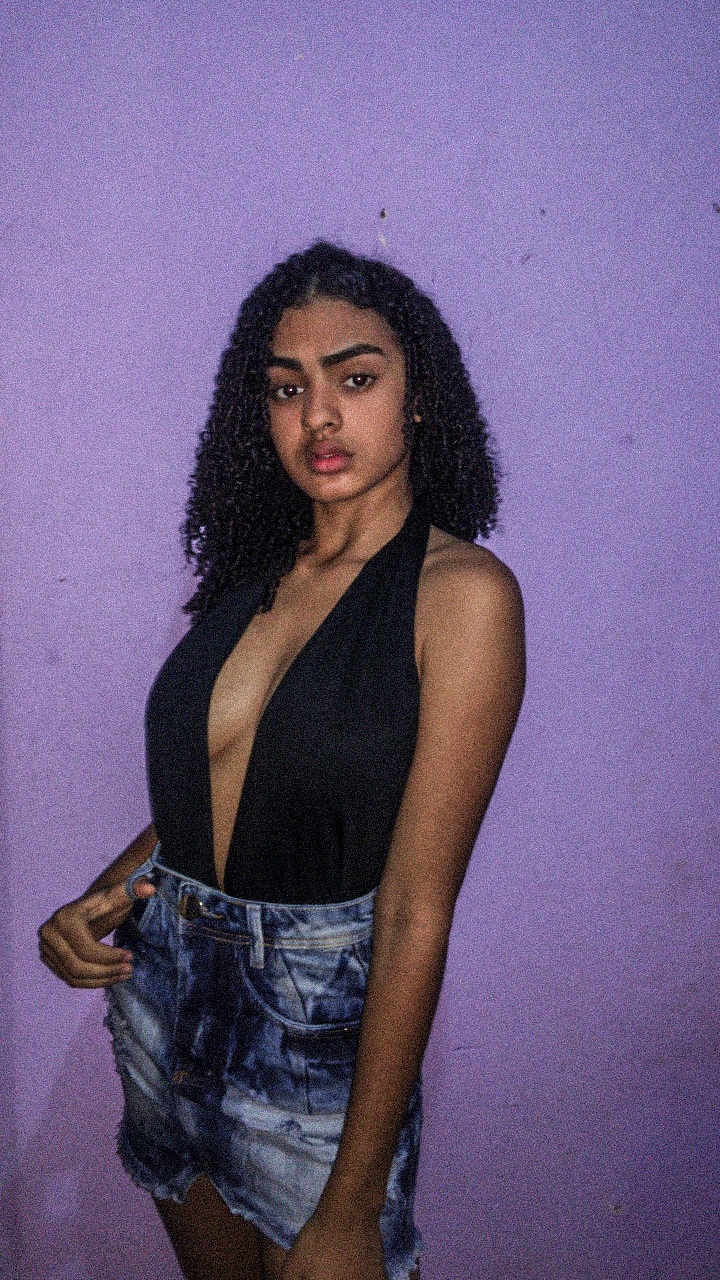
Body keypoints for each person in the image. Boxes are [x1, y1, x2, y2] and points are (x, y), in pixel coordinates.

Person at [39, 242, 525, 1280]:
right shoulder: (253, 573)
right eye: (287, 388)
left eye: (356, 379)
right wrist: (102, 897)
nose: (319, 417)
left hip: (312, 1033)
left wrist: (354, 1200)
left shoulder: (462, 597)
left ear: (419, 395)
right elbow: (219, 782)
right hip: (163, 993)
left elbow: (414, 909)